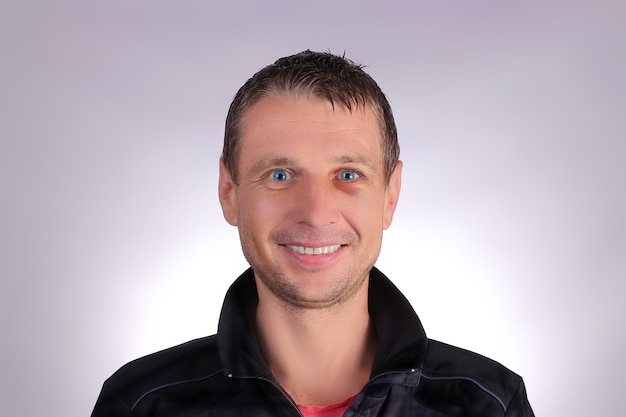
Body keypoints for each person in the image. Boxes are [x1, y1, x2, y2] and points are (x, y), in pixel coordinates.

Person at [91, 50, 535, 417]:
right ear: (230, 192)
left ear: (390, 196)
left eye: (347, 174)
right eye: (280, 175)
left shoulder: (486, 404)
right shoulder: (141, 404)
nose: (316, 212)